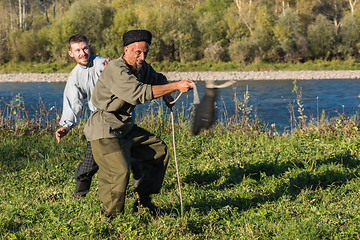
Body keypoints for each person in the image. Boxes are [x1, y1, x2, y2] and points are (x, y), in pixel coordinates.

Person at [84, 29, 194, 219]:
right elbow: (138, 93)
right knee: (120, 170)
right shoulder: (116, 69)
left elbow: (157, 78)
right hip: (104, 127)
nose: (142, 57)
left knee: (158, 150)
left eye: (145, 53)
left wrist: (167, 93)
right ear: (126, 49)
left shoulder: (141, 67)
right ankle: (108, 218)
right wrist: (175, 86)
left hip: (124, 126)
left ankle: (144, 205)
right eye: (138, 52)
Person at [55, 34, 108, 198]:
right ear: (71, 53)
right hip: (98, 120)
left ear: (89, 48)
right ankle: (79, 197)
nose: (83, 53)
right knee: (90, 162)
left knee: (127, 158)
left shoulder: (102, 64)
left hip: (118, 118)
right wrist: (66, 125)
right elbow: (73, 101)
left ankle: (142, 193)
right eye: (77, 50)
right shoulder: (75, 75)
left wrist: (111, 70)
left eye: (85, 48)